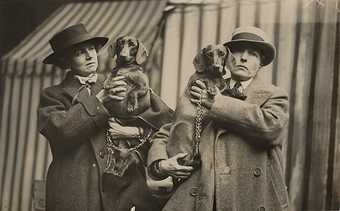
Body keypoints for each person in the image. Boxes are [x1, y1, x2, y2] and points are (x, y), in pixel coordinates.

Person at [147, 26, 290, 211]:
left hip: (250, 198)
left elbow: (270, 128)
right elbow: (169, 130)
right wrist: (161, 164)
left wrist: (215, 104)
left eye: (253, 53)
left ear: (261, 62)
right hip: (202, 196)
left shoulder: (274, 95)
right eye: (237, 51)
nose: (243, 58)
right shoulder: (204, 88)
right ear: (226, 58)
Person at [38, 24, 173, 211]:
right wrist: (100, 100)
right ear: (65, 61)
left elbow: (166, 121)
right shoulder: (53, 95)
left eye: (91, 49)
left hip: (123, 190)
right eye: (79, 52)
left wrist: (134, 131)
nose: (89, 56)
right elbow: (61, 132)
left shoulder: (121, 79)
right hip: (77, 191)